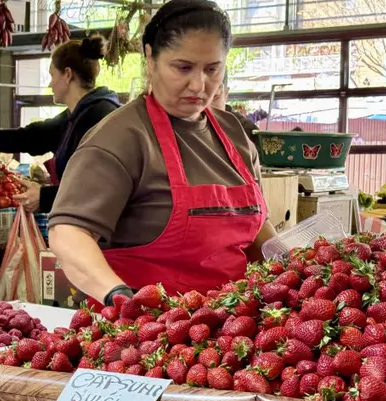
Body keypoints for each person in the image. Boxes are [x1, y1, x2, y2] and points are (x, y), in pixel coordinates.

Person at [48, 0, 278, 307]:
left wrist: (294, 267)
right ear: (150, 59)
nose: (199, 85)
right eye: (182, 68)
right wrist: (117, 295)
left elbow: (255, 227)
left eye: (212, 69)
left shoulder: (234, 134)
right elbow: (68, 232)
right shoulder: (120, 137)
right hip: (145, 336)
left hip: (235, 332)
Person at [0, 36, 121, 213]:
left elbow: (99, 187)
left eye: (52, 75)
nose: (50, 84)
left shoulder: (99, 117)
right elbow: (25, 138)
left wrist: (45, 197)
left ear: (68, 75)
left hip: (105, 234)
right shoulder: (75, 116)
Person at [211, 71, 258, 140]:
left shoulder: (245, 130)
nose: (206, 105)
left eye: (215, 96)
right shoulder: (190, 126)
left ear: (226, 94)